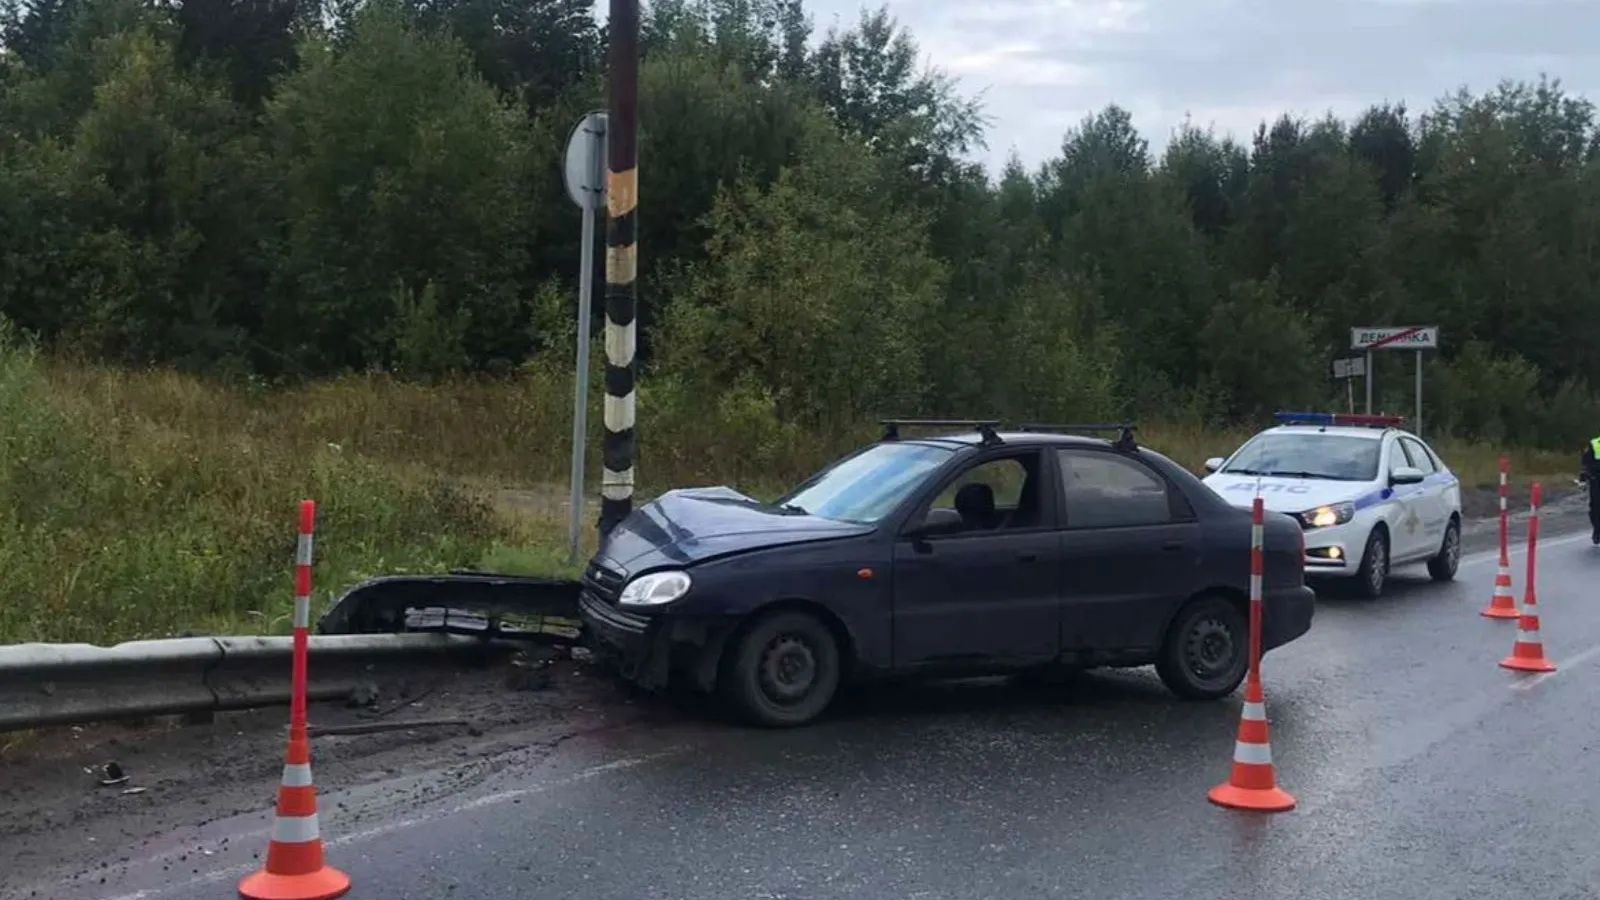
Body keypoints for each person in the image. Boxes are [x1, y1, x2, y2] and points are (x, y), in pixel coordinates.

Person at [1582, 436, 1600, 544]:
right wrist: (1583, 478)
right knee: (1595, 507)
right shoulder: (1594, 443)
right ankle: (1597, 531)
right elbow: (1585, 462)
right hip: (1596, 480)